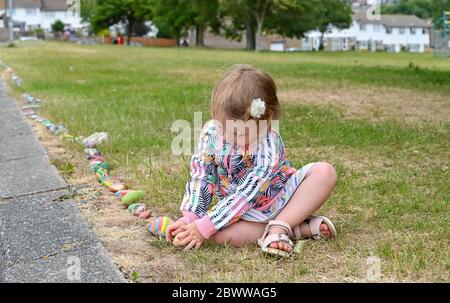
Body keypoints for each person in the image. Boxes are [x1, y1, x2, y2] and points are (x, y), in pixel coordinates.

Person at [166, 64, 337, 257]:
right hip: (242, 213)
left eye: (240, 133)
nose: (231, 137)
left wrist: (205, 226)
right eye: (224, 128)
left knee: (325, 172)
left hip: (282, 198)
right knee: (219, 237)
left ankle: (281, 226)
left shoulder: (268, 145)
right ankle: (300, 229)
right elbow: (201, 176)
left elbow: (247, 195)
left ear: (267, 120)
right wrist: (191, 218)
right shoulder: (211, 134)